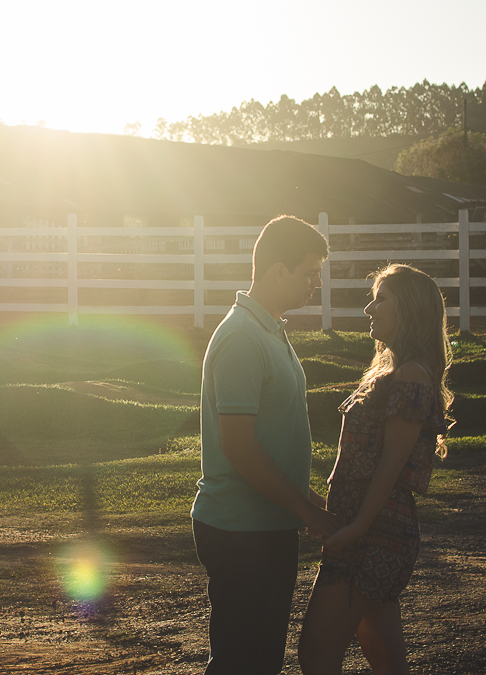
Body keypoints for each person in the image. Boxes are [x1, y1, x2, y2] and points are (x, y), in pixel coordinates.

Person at [191, 214, 342, 675]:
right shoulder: (242, 337)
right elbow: (238, 446)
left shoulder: (268, 328)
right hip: (242, 528)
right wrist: (305, 509)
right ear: (279, 270)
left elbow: (271, 442)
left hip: (264, 522)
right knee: (243, 662)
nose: (316, 283)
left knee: (260, 658)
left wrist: (311, 502)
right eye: (309, 272)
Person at [298, 263, 455, 675]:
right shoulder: (394, 371)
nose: (369, 309)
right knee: (387, 661)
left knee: (316, 653)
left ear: (411, 309)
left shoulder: (412, 374)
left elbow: (392, 463)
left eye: (381, 299)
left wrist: (357, 529)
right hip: (370, 530)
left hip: (374, 534)